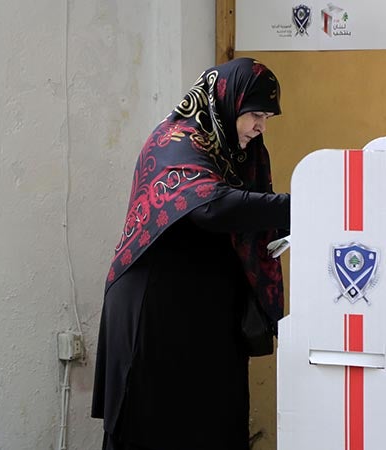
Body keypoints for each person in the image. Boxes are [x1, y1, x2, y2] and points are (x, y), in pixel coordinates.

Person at [91, 57, 290, 450]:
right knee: (153, 426)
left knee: (215, 421)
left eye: (266, 117)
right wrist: (298, 204)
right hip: (153, 311)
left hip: (202, 315)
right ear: (227, 100)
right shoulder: (176, 141)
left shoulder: (234, 150)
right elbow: (210, 205)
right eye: (255, 114)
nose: (260, 126)